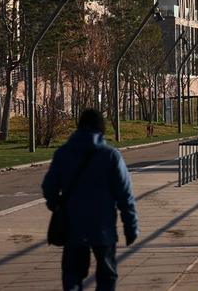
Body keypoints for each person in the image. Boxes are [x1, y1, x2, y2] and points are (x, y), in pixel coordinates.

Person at [42, 109, 138, 291]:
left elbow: (48, 188)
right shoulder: (111, 156)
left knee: (72, 275)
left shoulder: (63, 154)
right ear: (101, 128)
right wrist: (130, 227)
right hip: (103, 227)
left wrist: (56, 204)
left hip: (73, 226)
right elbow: (125, 195)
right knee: (107, 276)